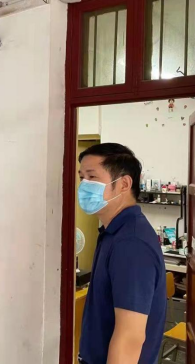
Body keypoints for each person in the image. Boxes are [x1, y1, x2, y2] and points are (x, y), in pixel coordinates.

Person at [77, 143, 166, 364]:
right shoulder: (114, 232)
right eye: (82, 178)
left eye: (92, 177)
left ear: (124, 184)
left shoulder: (131, 244)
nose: (84, 186)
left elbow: (130, 338)